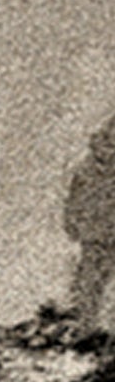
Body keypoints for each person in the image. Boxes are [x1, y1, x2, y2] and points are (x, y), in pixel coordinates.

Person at [64, 120, 115, 325]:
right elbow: (74, 199)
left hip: (99, 232)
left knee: (92, 281)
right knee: (90, 281)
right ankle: (85, 323)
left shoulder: (87, 169)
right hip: (97, 234)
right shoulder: (87, 169)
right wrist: (73, 222)